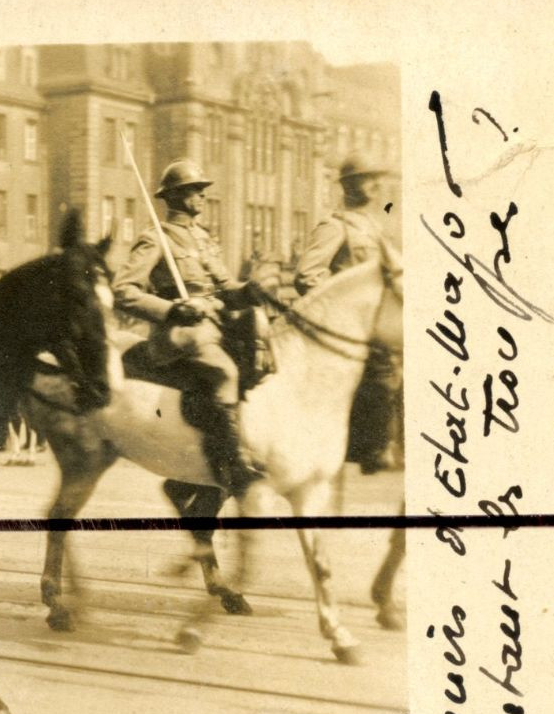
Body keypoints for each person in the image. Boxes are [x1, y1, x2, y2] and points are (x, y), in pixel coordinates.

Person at [113, 158, 265, 494]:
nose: (202, 196)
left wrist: (250, 290)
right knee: (225, 372)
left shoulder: (203, 238)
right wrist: (173, 310)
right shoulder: (156, 238)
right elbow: (123, 291)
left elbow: (226, 288)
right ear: (175, 196)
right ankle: (235, 461)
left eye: (201, 190)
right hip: (178, 332)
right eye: (194, 190)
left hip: (214, 324)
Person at [295, 153, 402, 473]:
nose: (376, 184)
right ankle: (368, 449)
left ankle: (389, 446)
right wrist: (341, 308)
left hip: (376, 321)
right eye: (368, 178)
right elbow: (307, 274)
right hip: (350, 328)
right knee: (382, 377)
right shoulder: (334, 226)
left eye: (376, 178)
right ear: (350, 185)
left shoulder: (373, 227)